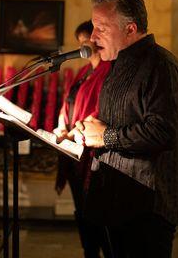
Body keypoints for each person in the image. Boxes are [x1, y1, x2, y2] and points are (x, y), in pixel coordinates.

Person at [75, 0, 178, 258]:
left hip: (147, 208)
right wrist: (87, 129)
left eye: (101, 27)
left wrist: (106, 136)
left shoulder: (161, 65)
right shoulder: (116, 65)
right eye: (93, 26)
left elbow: (163, 132)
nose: (92, 36)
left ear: (130, 28)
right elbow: (116, 122)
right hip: (114, 203)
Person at [54, 20, 111, 258]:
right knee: (82, 213)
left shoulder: (109, 70)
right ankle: (89, 251)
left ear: (96, 40)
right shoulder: (83, 71)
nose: (82, 46)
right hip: (73, 152)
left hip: (92, 153)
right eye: (79, 43)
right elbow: (69, 102)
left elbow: (100, 110)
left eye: (85, 40)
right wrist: (60, 125)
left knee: (96, 214)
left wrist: (77, 130)